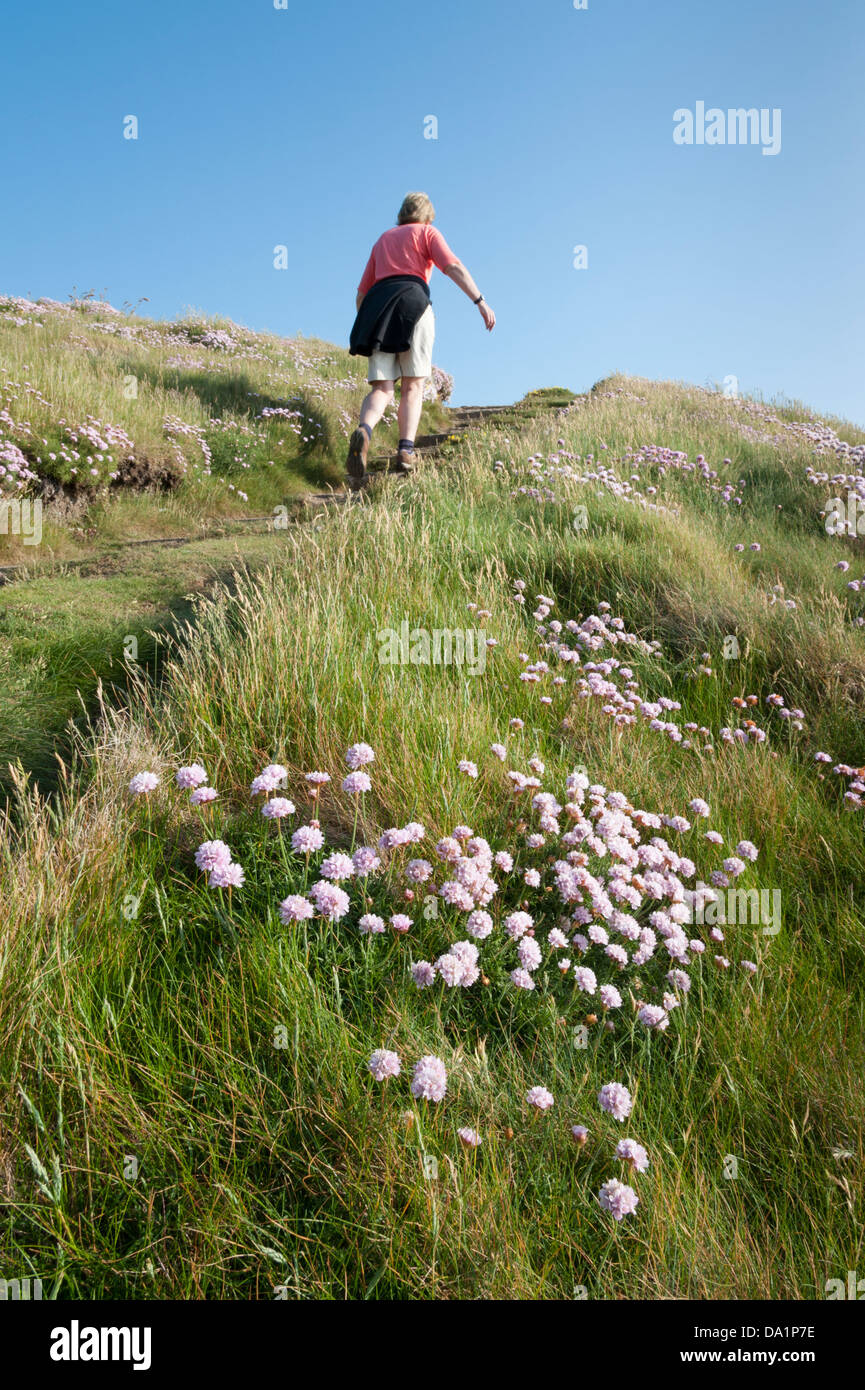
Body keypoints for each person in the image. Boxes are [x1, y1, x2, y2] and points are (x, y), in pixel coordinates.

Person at [346, 191, 495, 483]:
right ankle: (405, 452)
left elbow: (362, 294)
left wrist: (368, 323)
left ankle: (364, 430)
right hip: (412, 303)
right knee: (413, 386)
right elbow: (452, 266)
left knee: (382, 388)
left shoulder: (383, 239)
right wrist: (479, 301)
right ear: (427, 215)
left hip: (378, 309)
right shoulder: (427, 232)